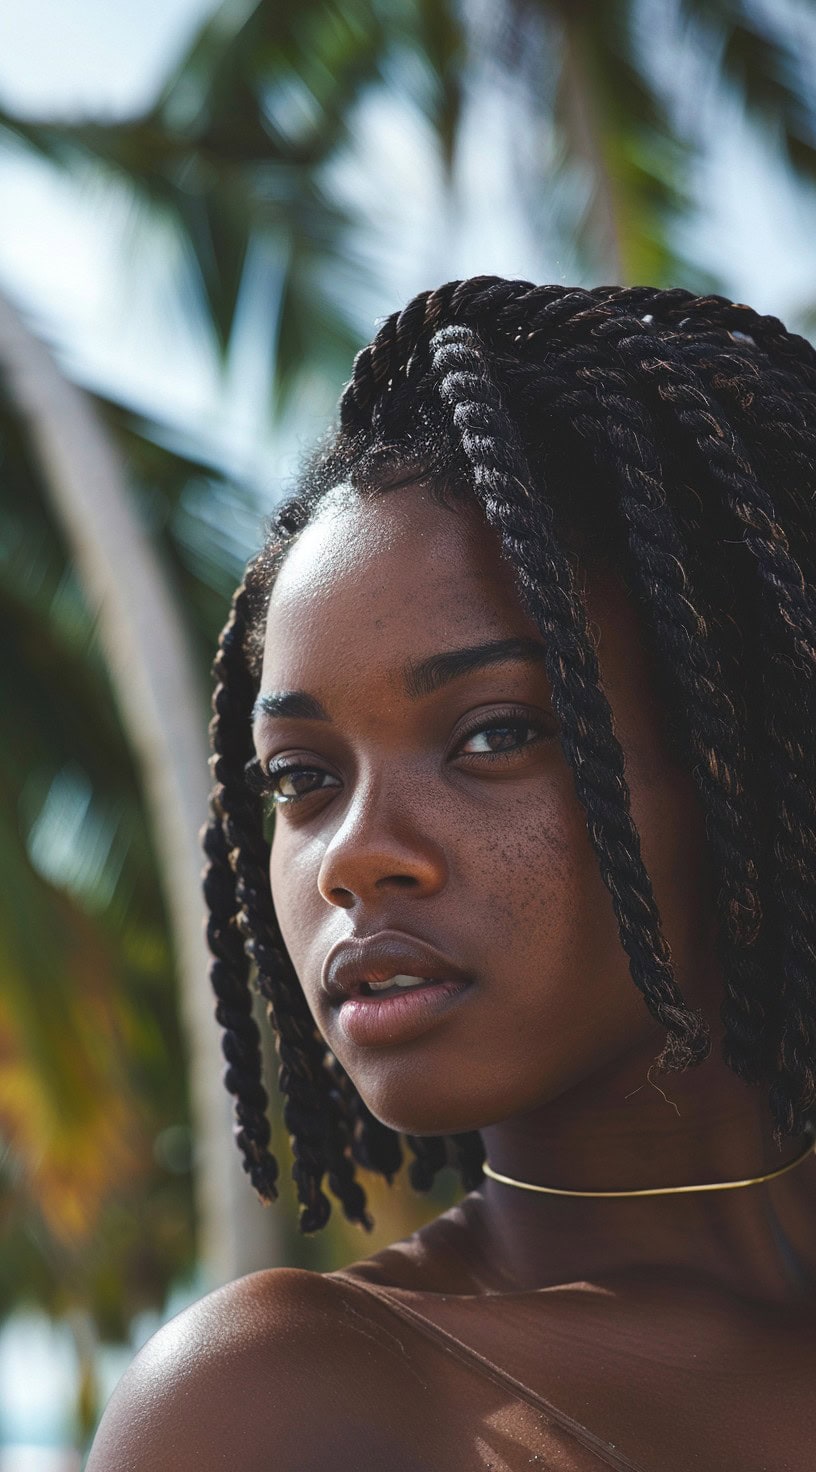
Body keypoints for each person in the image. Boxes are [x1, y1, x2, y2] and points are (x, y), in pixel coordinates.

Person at [87, 277, 816, 1471]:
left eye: (492, 733)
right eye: (301, 778)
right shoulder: (273, 1406)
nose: (356, 855)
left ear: (750, 752)